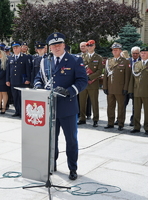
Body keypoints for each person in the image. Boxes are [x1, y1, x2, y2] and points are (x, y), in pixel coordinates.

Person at [34, 32, 88, 180]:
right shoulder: (45, 61)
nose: (56, 47)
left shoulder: (74, 60)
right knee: (52, 139)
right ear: (49, 47)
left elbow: (83, 81)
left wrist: (69, 91)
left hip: (68, 108)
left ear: (64, 45)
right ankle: (52, 164)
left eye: (59, 45)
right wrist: (38, 86)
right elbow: (39, 77)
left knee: (71, 140)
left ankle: (72, 168)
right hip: (49, 107)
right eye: (53, 45)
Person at [128, 46, 148, 135]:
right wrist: (130, 91)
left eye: (145, 52)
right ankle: (136, 127)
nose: (143, 54)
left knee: (147, 111)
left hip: (147, 92)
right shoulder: (136, 64)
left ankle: (147, 128)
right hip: (136, 91)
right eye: (142, 53)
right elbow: (132, 79)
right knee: (136, 110)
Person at [103, 42, 131, 131]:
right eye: (113, 50)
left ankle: (120, 123)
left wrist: (126, 88)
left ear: (120, 51)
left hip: (120, 88)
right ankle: (110, 123)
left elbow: (127, 76)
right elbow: (106, 75)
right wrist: (105, 87)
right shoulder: (109, 61)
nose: (115, 51)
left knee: (121, 107)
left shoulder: (125, 61)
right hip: (110, 88)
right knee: (110, 106)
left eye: (116, 50)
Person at [78, 40, 103, 127]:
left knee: (94, 102)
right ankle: (82, 118)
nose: (89, 47)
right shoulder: (82, 56)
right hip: (83, 84)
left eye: (91, 46)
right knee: (82, 102)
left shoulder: (98, 57)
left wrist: (90, 77)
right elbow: (79, 69)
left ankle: (95, 119)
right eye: (88, 46)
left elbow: (100, 71)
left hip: (93, 83)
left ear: (94, 46)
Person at [6, 41, 31, 117]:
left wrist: (28, 79)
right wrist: (7, 80)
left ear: (20, 48)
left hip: (22, 81)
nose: (15, 49)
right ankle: (17, 111)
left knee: (21, 97)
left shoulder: (25, 57)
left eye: (17, 47)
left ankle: (22, 112)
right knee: (15, 97)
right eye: (14, 48)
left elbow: (28, 70)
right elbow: (8, 70)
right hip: (13, 81)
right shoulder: (10, 58)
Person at [122, 46, 141, 126]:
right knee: (123, 104)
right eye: (133, 53)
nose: (135, 55)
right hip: (126, 86)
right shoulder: (127, 61)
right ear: (131, 53)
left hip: (136, 87)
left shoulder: (142, 62)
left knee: (135, 105)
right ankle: (120, 119)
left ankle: (133, 120)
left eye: (137, 53)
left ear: (139, 54)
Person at [76, 41, 92, 120]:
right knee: (79, 97)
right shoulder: (77, 56)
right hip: (79, 79)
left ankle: (88, 113)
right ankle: (79, 113)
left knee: (88, 98)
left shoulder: (90, 55)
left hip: (88, 79)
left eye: (84, 46)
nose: (82, 47)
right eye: (81, 46)